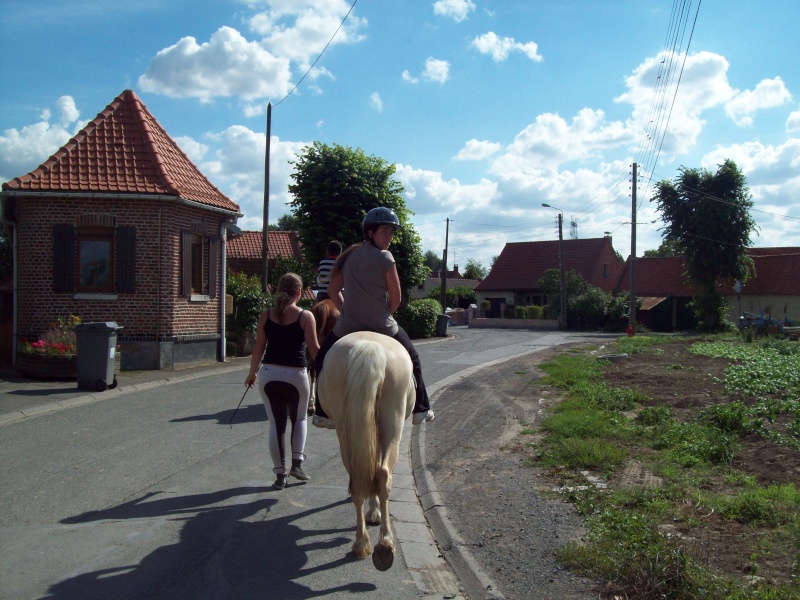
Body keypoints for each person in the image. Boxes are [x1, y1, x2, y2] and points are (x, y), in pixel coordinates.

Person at [312, 207, 435, 429]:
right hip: (383, 324)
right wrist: (383, 313)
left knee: (321, 358)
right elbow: (396, 298)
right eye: (385, 232)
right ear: (370, 232)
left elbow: (333, 290)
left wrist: (347, 310)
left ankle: (322, 412)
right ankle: (421, 409)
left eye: (391, 233)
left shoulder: (348, 255)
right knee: (413, 358)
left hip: (348, 325)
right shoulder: (386, 257)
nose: (389, 238)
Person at [245, 273, 321, 490]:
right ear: (299, 292)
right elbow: (314, 350)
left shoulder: (266, 315)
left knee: (275, 425)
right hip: (296, 375)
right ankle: (297, 464)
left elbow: (258, 348)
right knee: (299, 419)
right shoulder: (305, 316)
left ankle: (280, 476)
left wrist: (252, 373)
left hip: (269, 374)